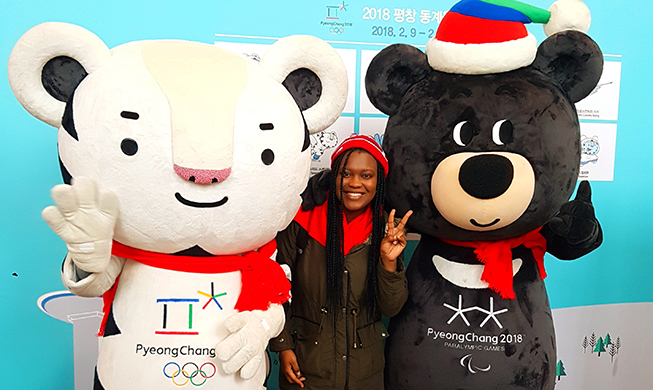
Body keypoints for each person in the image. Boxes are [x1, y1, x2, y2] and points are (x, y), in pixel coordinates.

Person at [269, 134, 412, 389]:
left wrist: (388, 262)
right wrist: (283, 346)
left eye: (366, 175)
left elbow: (391, 308)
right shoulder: (302, 221)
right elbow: (276, 286)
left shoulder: (385, 230)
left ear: (379, 182)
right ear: (333, 177)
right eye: (346, 174)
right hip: (307, 368)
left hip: (364, 374)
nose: (355, 183)